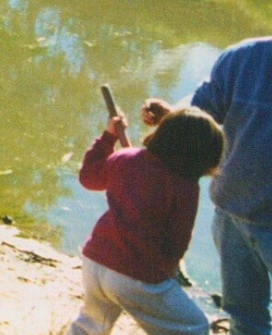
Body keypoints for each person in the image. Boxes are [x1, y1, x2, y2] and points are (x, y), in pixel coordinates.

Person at [143, 0, 272, 335]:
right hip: (231, 213)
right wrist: (171, 116)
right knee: (244, 315)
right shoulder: (242, 58)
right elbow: (205, 107)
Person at [67, 108, 224, 335]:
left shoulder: (126, 157)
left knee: (91, 325)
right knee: (194, 326)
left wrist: (108, 137)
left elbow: (89, 177)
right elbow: (177, 241)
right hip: (134, 274)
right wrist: (166, 275)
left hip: (95, 261)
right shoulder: (185, 186)